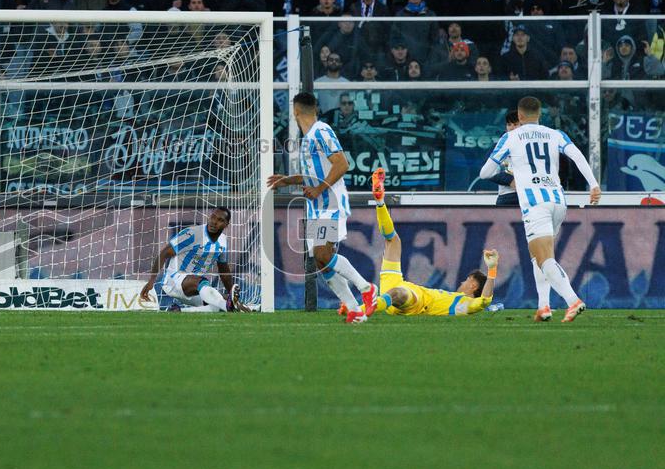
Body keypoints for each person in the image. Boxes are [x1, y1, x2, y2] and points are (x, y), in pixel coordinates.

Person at [479, 96, 601, 322]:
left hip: (535, 204)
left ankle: (573, 300)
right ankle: (543, 306)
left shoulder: (511, 137)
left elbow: (485, 173)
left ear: (520, 115)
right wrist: (593, 184)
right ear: (540, 114)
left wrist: (512, 175)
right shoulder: (555, 134)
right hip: (558, 200)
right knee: (540, 255)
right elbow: (577, 156)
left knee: (544, 258)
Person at [266, 92, 378, 323]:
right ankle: (354, 308)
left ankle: (366, 288)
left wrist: (319, 189)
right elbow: (312, 175)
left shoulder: (322, 131)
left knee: (322, 255)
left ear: (296, 111)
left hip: (331, 203)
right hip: (316, 207)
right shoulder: (307, 139)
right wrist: (289, 180)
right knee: (320, 261)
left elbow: (342, 163)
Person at [364, 168, 497, 317]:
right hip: (398, 282)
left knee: (398, 293)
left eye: (467, 280)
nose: (462, 282)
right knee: (393, 241)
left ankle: (361, 309)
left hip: (416, 301)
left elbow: (484, 301)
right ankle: (380, 202)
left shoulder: (465, 305)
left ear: (473, 286)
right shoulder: (455, 298)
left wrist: (492, 270)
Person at [139, 207, 250, 313]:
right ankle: (228, 306)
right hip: (174, 281)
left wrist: (231, 295)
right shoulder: (193, 234)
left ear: (226, 225)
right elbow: (164, 253)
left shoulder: (223, 241)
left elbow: (224, 273)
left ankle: (179, 311)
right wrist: (151, 281)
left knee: (217, 302)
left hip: (194, 287)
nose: (214, 222)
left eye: (220, 220)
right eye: (213, 217)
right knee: (205, 284)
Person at [481, 110, 521, 206]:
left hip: (532, 195)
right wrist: (510, 180)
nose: (512, 128)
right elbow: (488, 171)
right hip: (507, 195)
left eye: (515, 124)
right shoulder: (499, 146)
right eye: (509, 124)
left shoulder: (534, 145)